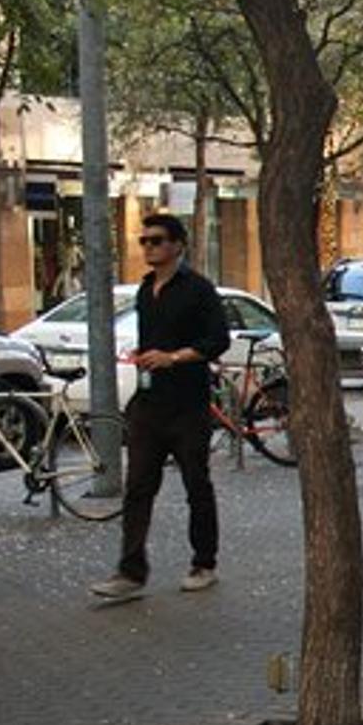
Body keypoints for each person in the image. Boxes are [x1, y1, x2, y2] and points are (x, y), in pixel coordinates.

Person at [90, 213, 230, 603]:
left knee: (195, 485)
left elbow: (217, 340)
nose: (148, 248)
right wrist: (143, 356)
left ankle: (204, 563)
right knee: (138, 488)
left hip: (188, 404)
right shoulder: (145, 289)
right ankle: (131, 571)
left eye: (156, 241)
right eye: (144, 241)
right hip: (149, 405)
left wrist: (174, 357)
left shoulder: (198, 289)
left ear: (177, 245)